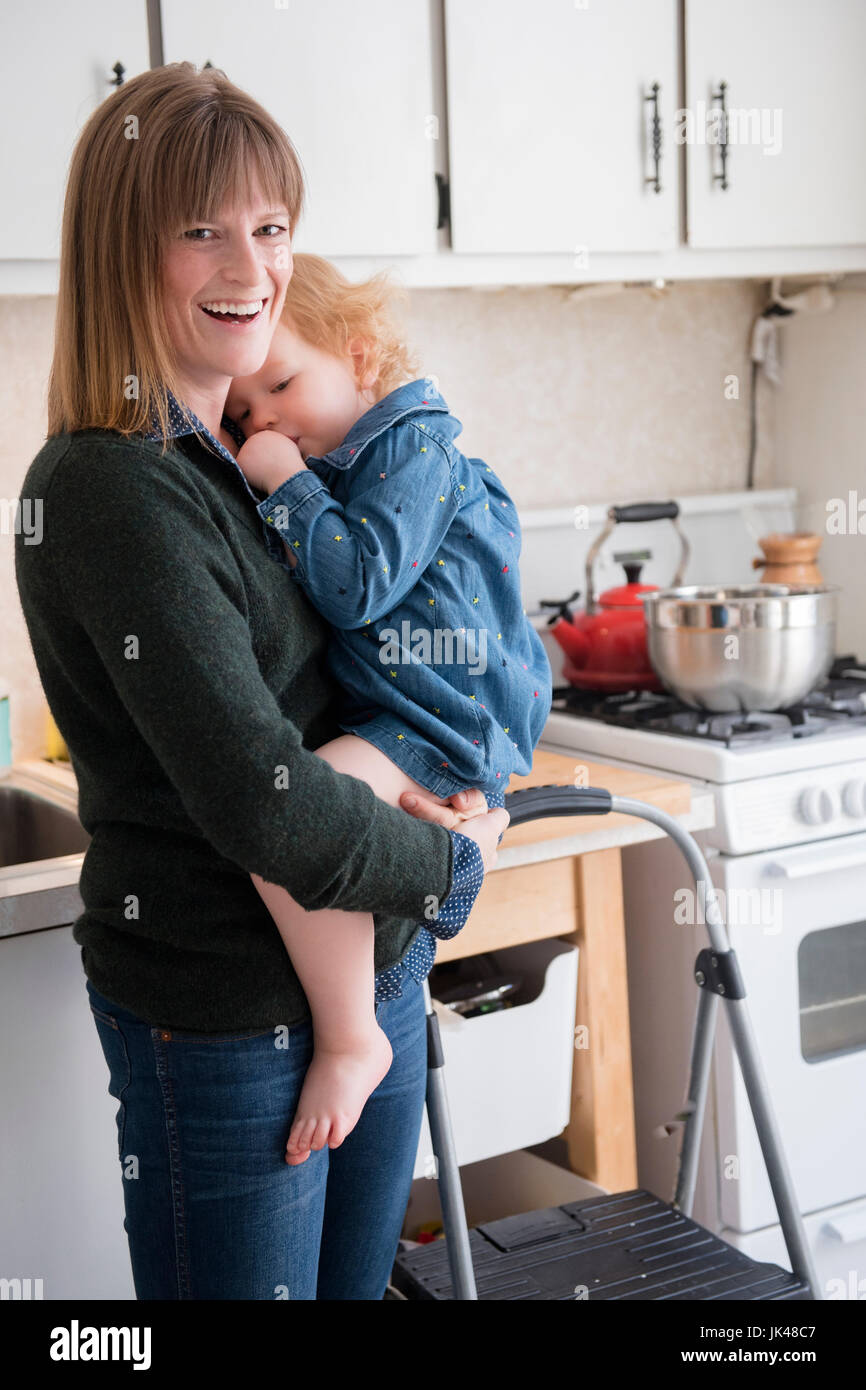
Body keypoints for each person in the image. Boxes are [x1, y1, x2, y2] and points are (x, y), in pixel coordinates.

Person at [14, 62, 509, 1301]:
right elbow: (264, 794)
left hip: (373, 971)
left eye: (270, 227)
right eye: (202, 231)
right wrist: (453, 864)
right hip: (233, 1020)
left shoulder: (238, 455)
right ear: (125, 249)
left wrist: (424, 796)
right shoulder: (105, 484)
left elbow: (332, 694)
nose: (250, 265)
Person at [224, 253, 552, 1165]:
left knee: (290, 821)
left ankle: (349, 1034)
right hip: (419, 717)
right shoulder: (369, 460)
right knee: (298, 821)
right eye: (246, 414)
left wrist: (284, 481)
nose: (267, 420)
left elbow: (359, 584)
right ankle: (369, 1009)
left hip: (438, 724)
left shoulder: (414, 449)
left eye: (283, 384)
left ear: (361, 358)